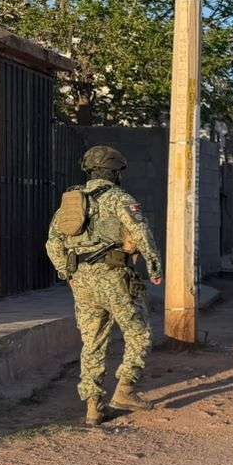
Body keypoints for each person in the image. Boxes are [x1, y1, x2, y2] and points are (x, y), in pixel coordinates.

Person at [45, 146, 163, 425]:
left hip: (82, 280)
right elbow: (141, 232)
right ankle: (125, 391)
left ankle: (93, 407)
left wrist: (67, 274)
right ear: (115, 172)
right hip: (114, 276)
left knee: (92, 342)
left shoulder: (72, 201)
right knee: (139, 333)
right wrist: (154, 266)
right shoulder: (119, 198)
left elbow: (53, 242)